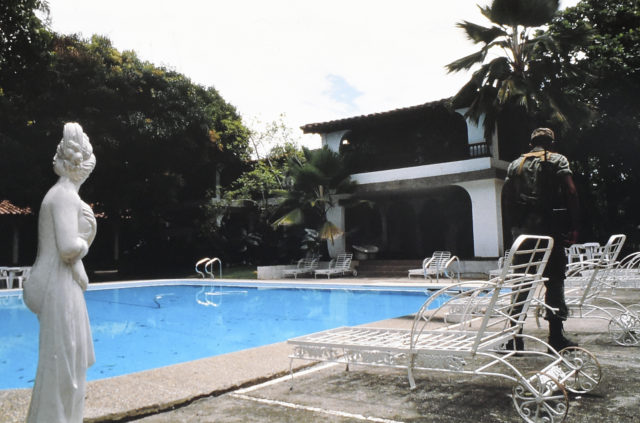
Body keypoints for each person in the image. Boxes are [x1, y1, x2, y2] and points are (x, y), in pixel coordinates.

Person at [23, 122, 97, 423]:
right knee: (64, 366)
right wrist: (87, 238)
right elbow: (68, 248)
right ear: (81, 165)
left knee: (66, 362)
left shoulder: (60, 194)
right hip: (59, 286)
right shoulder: (65, 195)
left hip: (60, 283)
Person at [502, 127, 580, 352]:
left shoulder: (514, 165)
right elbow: (571, 192)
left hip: (523, 235)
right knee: (554, 281)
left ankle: (515, 338)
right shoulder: (557, 160)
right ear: (551, 144)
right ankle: (556, 337)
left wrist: (513, 229)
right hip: (550, 232)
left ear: (531, 144)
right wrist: (574, 226)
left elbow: (506, 198)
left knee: (522, 284)